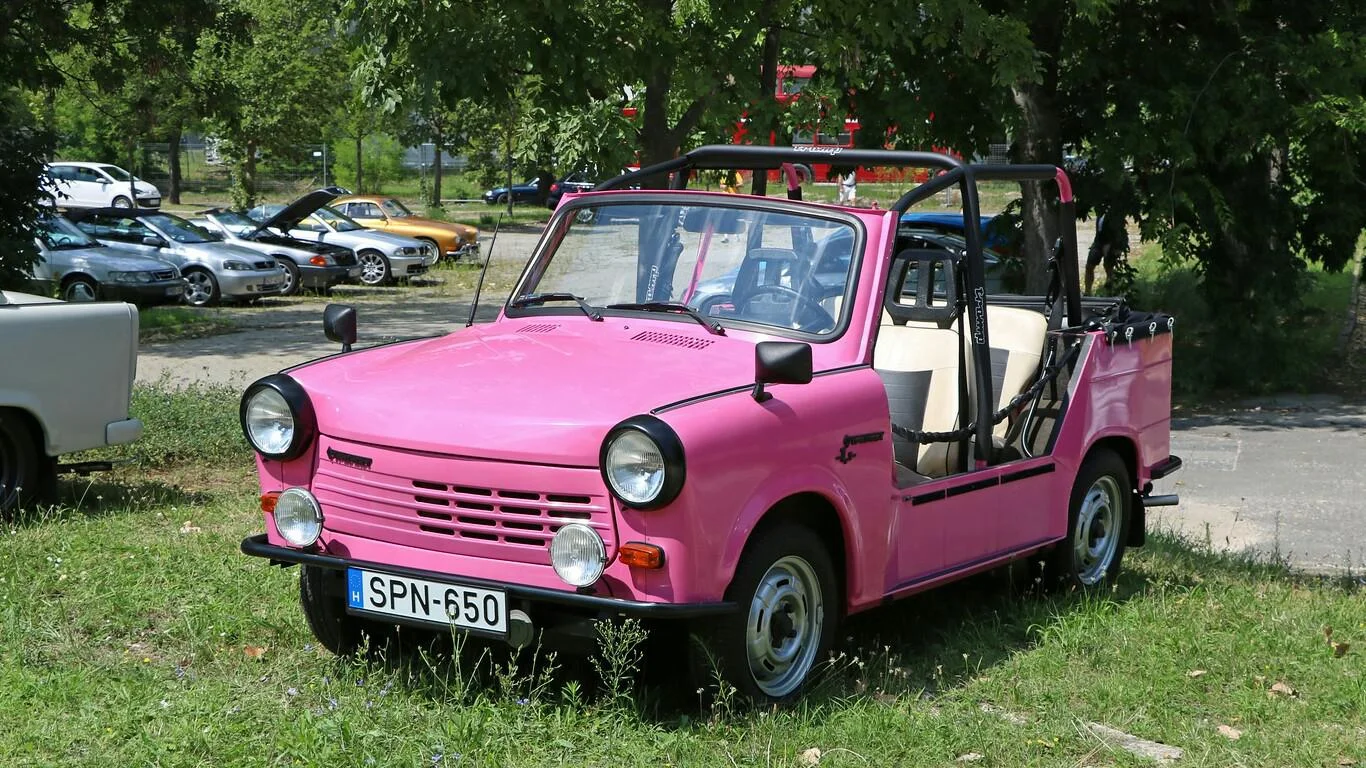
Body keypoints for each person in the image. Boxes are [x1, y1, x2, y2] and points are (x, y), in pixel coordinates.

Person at [1085, 212, 1127, 293]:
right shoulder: (1100, 211)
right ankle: (1087, 292)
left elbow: (1118, 231)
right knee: (1089, 266)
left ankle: (1110, 291)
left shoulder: (1115, 212)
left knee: (1109, 268)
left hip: (1111, 243)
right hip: (1098, 242)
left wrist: (1112, 245)